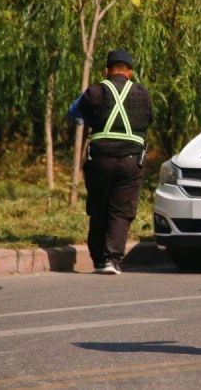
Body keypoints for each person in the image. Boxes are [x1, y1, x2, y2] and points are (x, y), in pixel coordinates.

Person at [68, 49, 153, 275]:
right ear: (130, 72)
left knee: (99, 207)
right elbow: (149, 120)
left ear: (106, 71)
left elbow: (73, 111)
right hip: (130, 161)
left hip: (100, 159)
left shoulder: (94, 91)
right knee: (121, 210)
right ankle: (112, 259)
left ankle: (98, 259)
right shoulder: (142, 93)